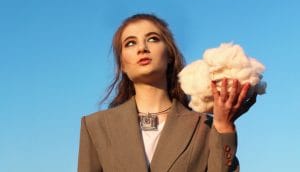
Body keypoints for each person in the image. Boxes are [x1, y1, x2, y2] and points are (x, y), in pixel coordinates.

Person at [77, 13, 257, 172]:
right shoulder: (95, 126)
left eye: (153, 39)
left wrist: (224, 126)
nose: (142, 48)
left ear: (169, 54)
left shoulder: (205, 127)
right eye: (130, 43)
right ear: (122, 64)